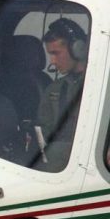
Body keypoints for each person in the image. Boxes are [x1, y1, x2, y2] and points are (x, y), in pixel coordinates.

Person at [35, 19, 88, 170]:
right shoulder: (54, 89)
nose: (52, 61)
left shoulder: (101, 86)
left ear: (77, 49)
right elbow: (43, 131)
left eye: (56, 53)